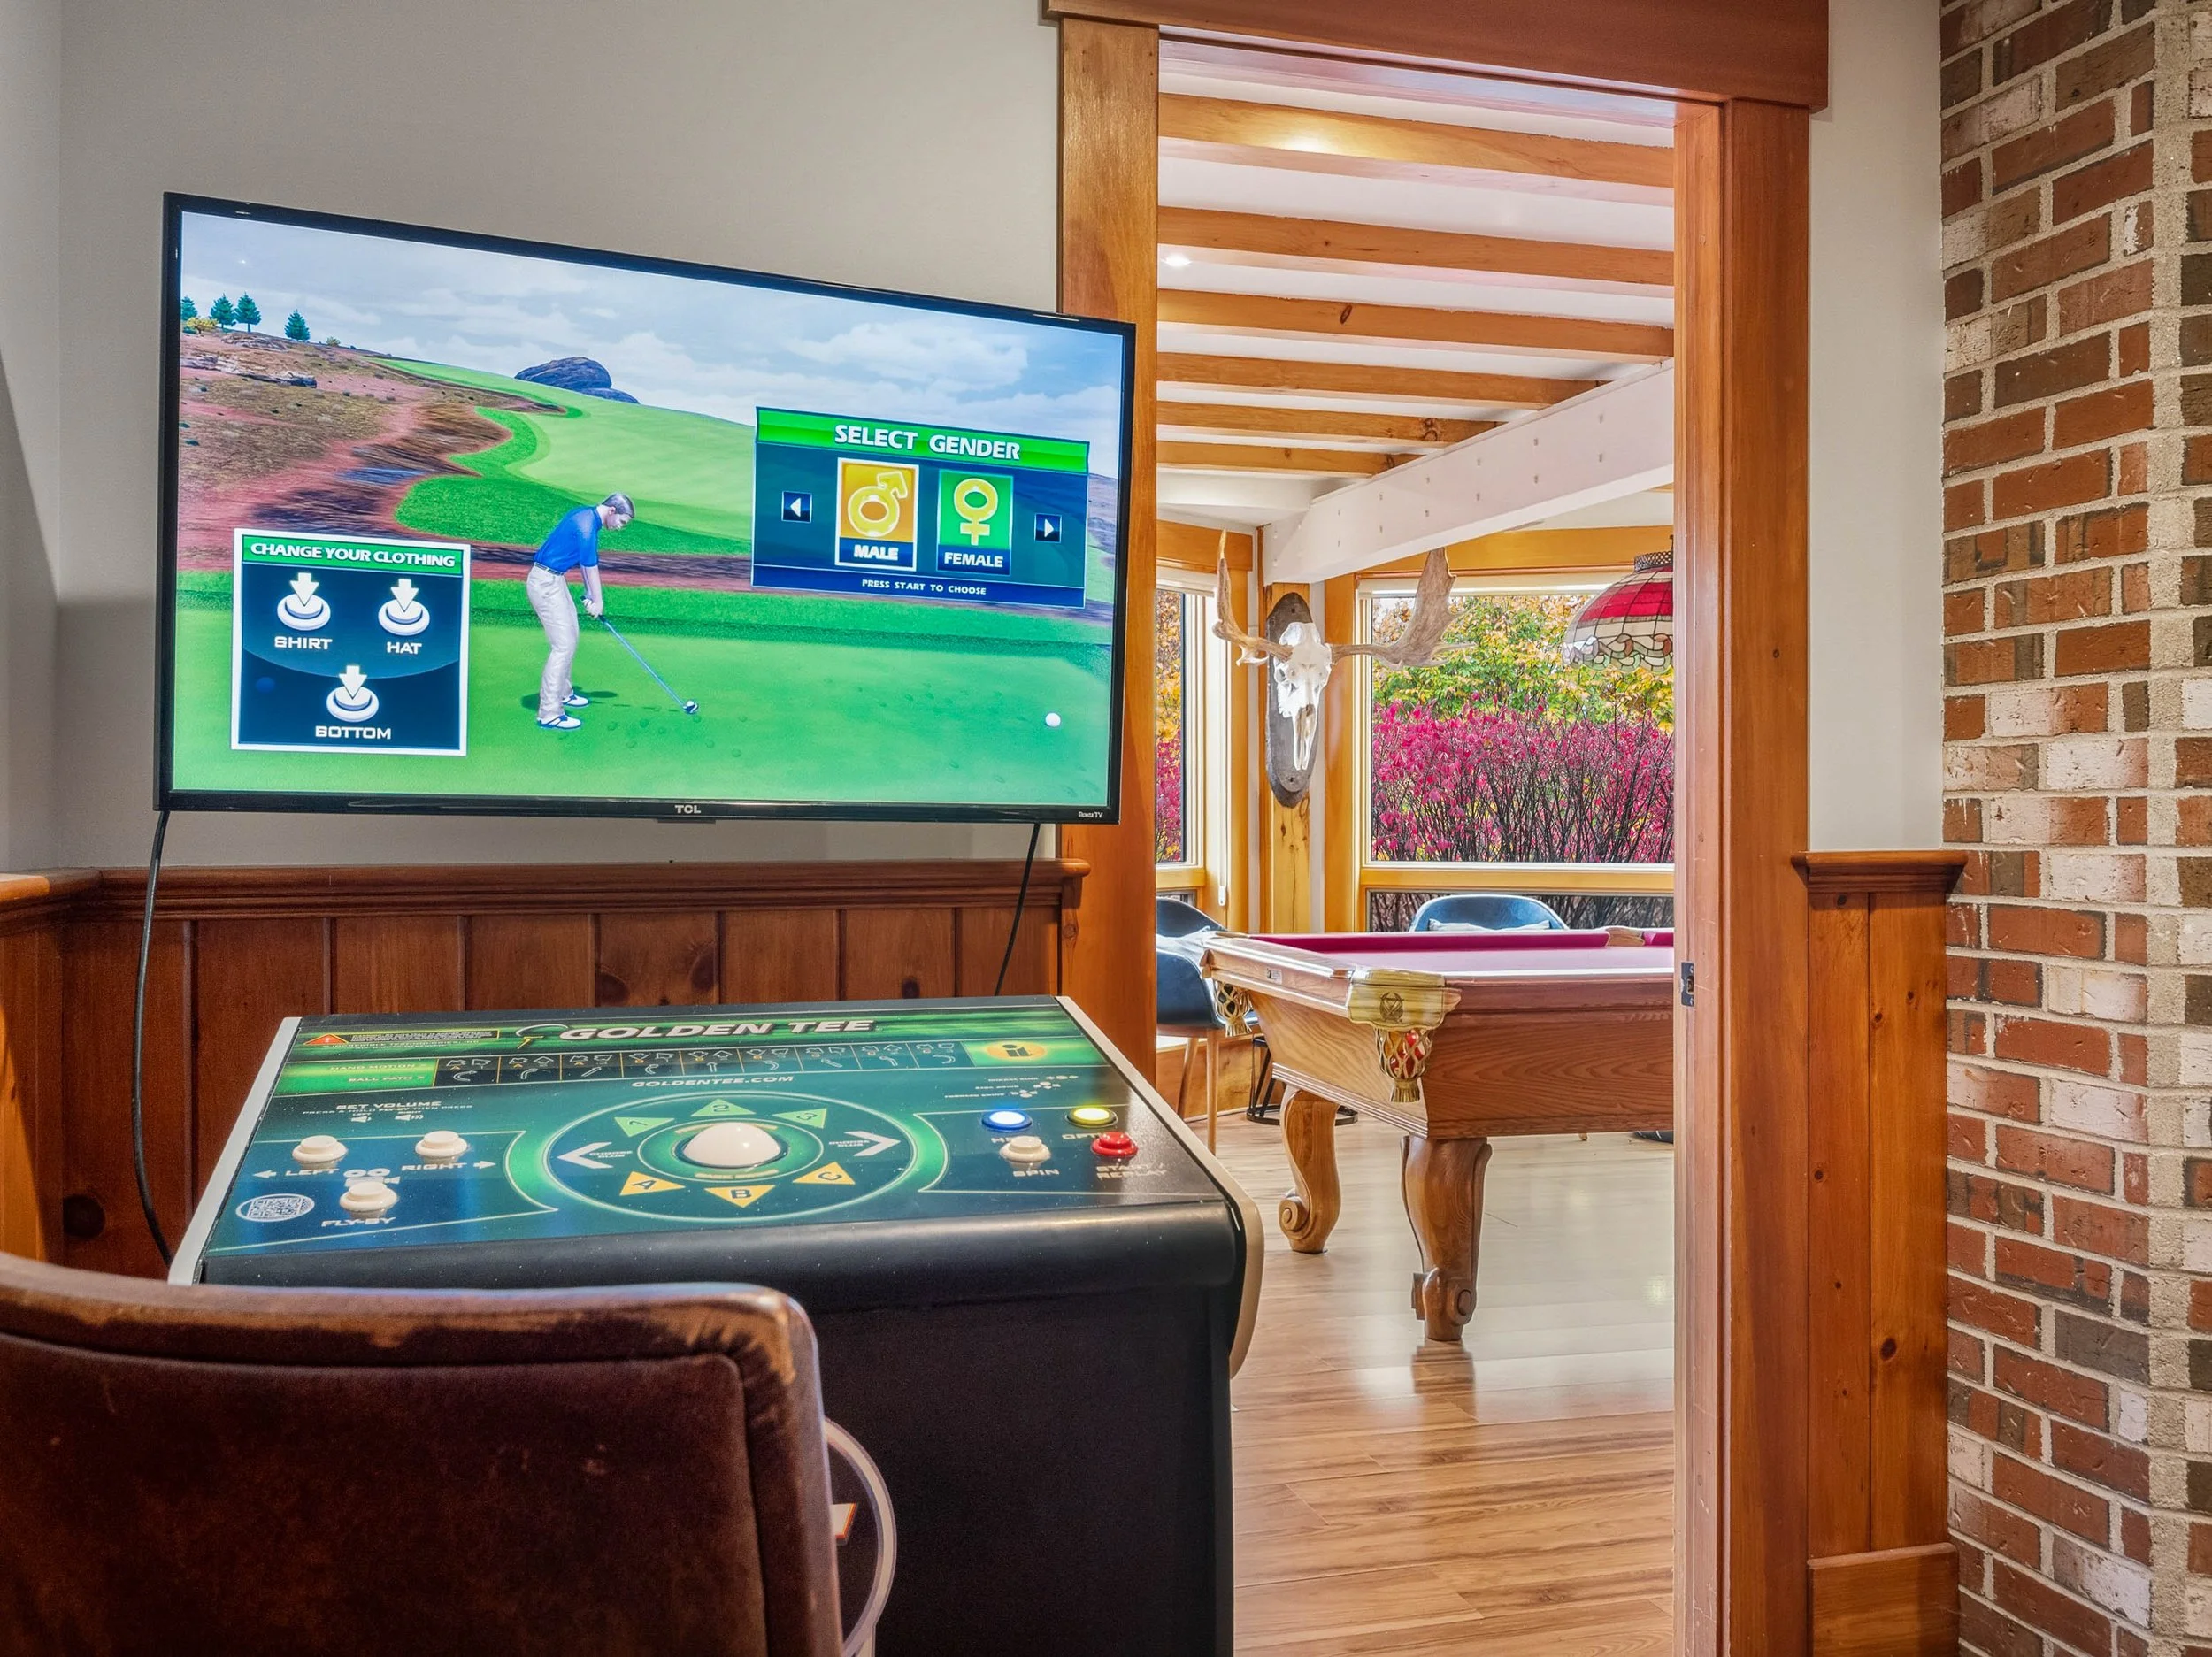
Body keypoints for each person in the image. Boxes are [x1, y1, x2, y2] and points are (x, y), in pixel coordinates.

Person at [526, 492, 633, 729]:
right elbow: (590, 566)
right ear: (612, 511)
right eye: (622, 522)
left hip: (554, 579)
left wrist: (589, 594)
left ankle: (564, 692)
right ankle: (549, 713)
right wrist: (598, 602)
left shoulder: (585, 515)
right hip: (544, 583)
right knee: (562, 646)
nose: (620, 528)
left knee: (571, 636)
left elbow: (584, 565)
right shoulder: (587, 527)